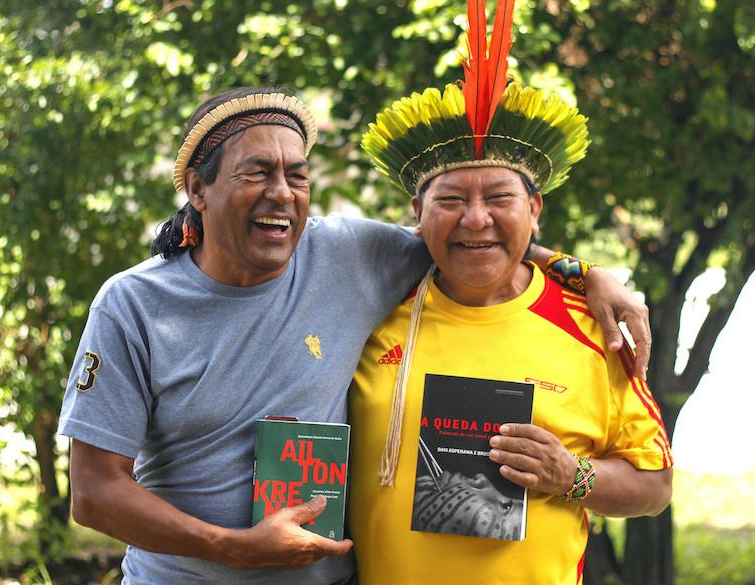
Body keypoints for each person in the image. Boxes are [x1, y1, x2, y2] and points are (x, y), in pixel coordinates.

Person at [58, 85, 652, 584]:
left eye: (297, 174)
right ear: (197, 189)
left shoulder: (344, 254)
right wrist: (231, 545)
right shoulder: (133, 304)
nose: (282, 192)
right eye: (257, 172)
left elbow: (469, 234)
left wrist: (586, 274)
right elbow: (93, 493)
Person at [347, 2, 673, 584]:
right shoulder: (369, 311)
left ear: (534, 210)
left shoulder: (592, 323)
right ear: (417, 214)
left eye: (499, 198)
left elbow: (655, 486)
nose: (476, 221)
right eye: (450, 201)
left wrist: (571, 475)